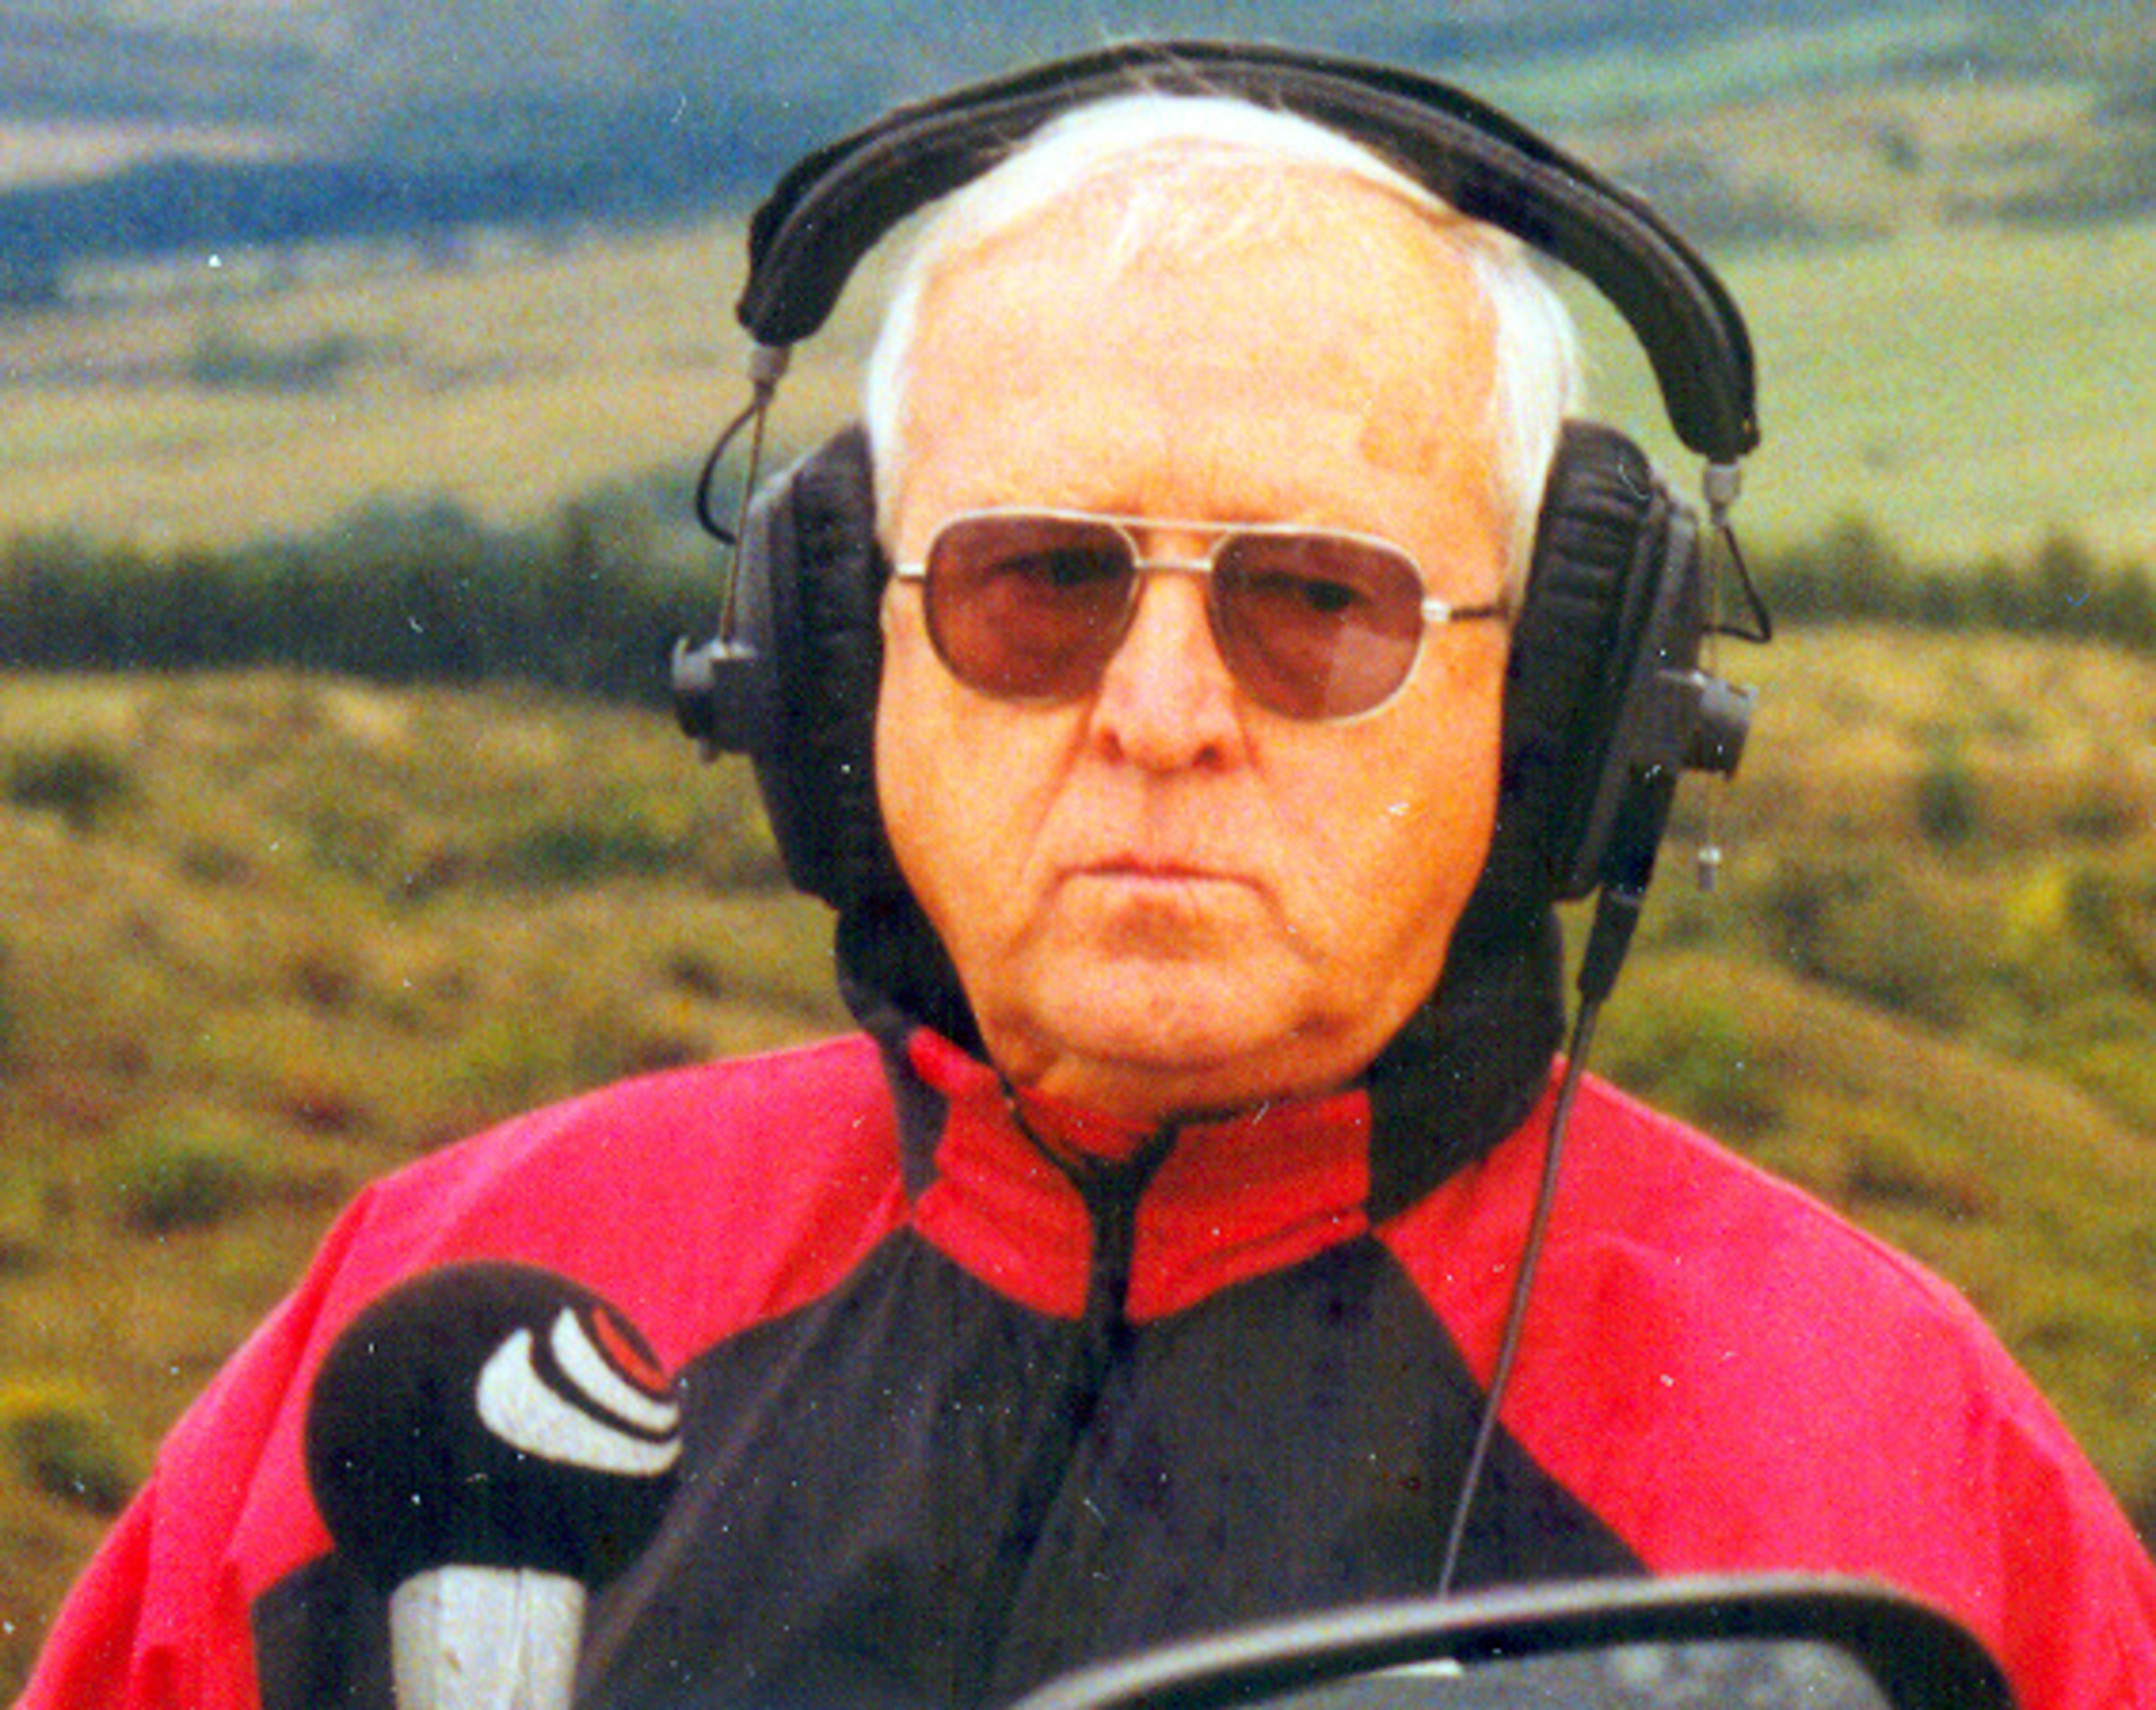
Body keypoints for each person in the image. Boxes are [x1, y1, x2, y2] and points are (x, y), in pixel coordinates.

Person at [18, 61, 2156, 1710]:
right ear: (835, 656)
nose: (1159, 713)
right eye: (1038, 584)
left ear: (1562, 707)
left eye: (1315, 603)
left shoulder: (1884, 1454)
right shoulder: (456, 1315)